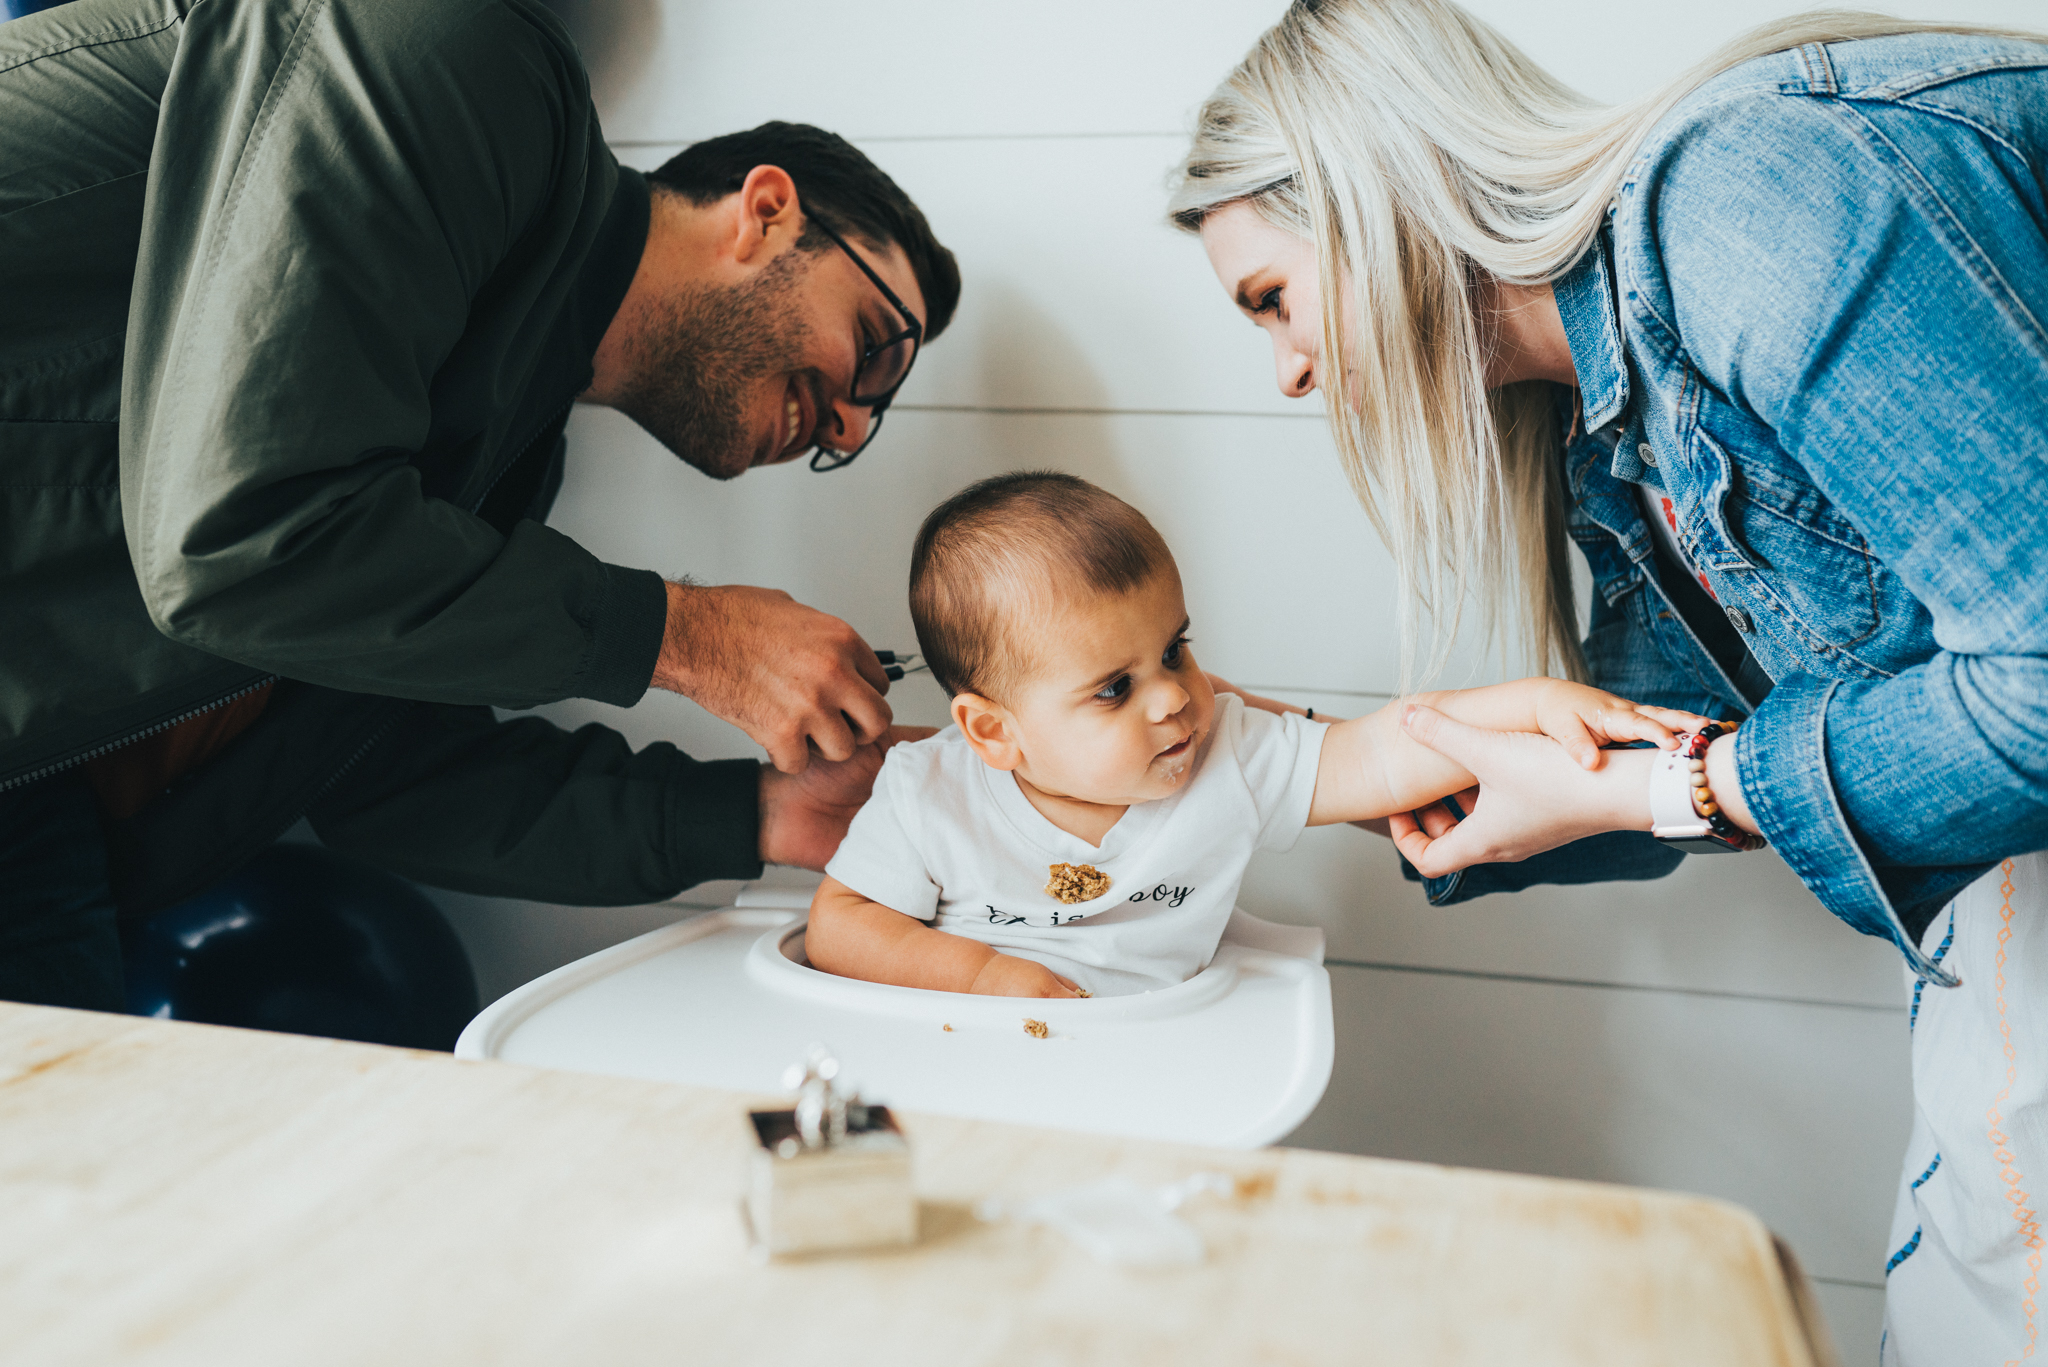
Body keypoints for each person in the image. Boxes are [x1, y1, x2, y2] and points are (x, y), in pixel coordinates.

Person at [1167, 2, 2046, 1357]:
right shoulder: (1620, 424)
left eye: (1271, 298)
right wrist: (1311, 768)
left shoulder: (1746, 193)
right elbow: (1662, 750)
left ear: (1374, 197)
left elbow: (2036, 687)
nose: (1286, 370)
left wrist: (1678, 786)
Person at [0, 0, 960, 1013]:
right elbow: (246, 533)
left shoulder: (499, 461)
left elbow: (394, 776)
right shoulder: (452, 46)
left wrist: (764, 812)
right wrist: (688, 634)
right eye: (878, 343)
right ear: (763, 212)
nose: (851, 429)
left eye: (875, 414)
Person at [804, 472, 1704, 998]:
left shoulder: (1225, 755)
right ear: (994, 733)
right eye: (1116, 688)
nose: (1173, 699)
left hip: (1163, 1063)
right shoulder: (930, 790)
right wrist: (987, 979)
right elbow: (839, 926)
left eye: (1175, 649)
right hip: (973, 1057)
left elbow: (1385, 749)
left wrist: (1531, 701)